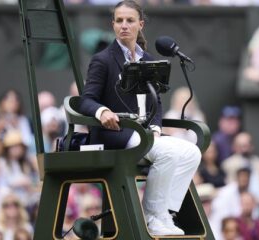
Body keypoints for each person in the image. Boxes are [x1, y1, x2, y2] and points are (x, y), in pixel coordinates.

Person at [78, 0, 201, 236]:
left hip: (144, 133)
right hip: (116, 133)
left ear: (140, 25)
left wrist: (155, 127)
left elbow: (157, 102)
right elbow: (85, 100)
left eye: (130, 20)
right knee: (167, 153)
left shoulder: (148, 59)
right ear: (113, 24)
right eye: (119, 20)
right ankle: (151, 216)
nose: (124, 25)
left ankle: (165, 212)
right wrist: (102, 112)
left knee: (191, 152)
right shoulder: (102, 60)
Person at [222, 132, 259, 204]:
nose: (245, 149)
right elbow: (230, 188)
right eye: (241, 146)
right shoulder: (228, 164)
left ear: (252, 146)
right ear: (234, 147)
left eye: (247, 145)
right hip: (241, 204)